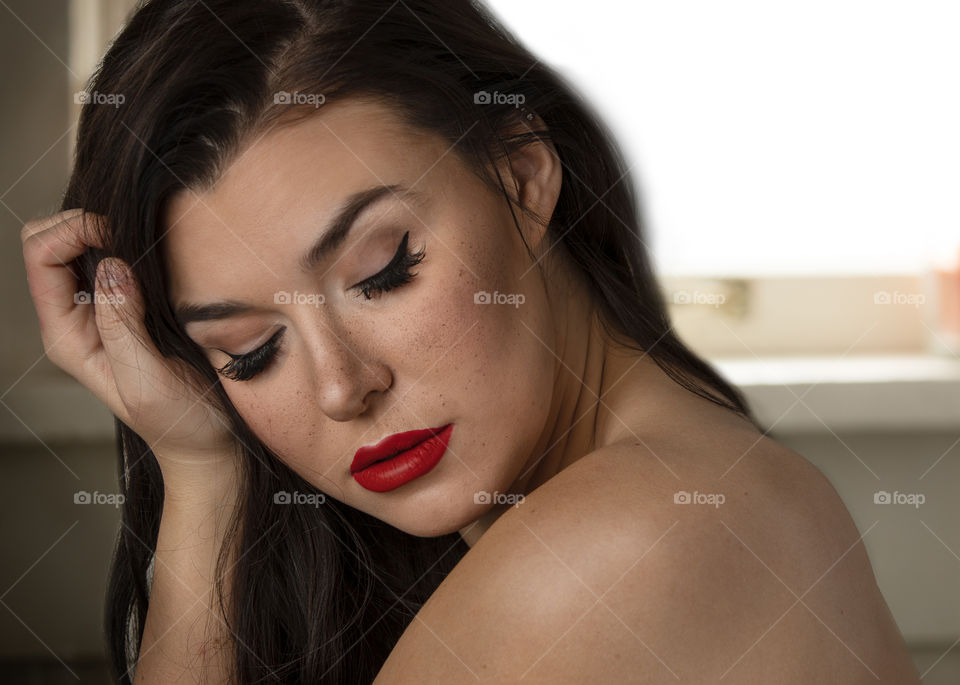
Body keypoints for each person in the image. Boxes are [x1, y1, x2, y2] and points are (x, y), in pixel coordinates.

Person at [20, 0, 920, 682]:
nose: (343, 386)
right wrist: (201, 459)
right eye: (252, 350)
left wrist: (205, 487)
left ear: (524, 177)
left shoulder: (629, 540)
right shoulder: (682, 482)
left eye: (384, 271)